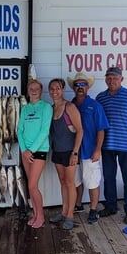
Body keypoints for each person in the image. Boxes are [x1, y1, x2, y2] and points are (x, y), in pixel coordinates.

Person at [96, 66, 127, 224]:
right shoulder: (100, 98)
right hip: (107, 145)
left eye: (115, 78)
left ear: (121, 79)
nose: (112, 81)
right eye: (109, 78)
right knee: (108, 178)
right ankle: (111, 206)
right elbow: (98, 123)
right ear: (105, 80)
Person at [69, 72, 109, 224]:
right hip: (73, 152)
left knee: (92, 181)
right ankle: (78, 205)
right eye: (77, 84)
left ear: (87, 87)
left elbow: (101, 129)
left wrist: (97, 149)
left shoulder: (95, 106)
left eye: (83, 84)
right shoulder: (70, 105)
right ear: (74, 87)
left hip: (89, 151)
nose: (80, 87)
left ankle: (93, 209)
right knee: (76, 181)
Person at [47, 78, 83, 230]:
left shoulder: (70, 107)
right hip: (57, 150)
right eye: (52, 89)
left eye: (58, 88)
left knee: (70, 182)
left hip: (70, 151)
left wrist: (75, 153)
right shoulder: (50, 108)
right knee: (62, 181)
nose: (54, 91)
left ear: (62, 90)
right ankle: (63, 211)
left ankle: (70, 215)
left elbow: (80, 130)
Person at [17, 79, 52, 229]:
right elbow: (19, 130)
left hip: (39, 150)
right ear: (28, 90)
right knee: (31, 186)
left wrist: (31, 150)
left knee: (32, 186)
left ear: (41, 90)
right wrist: (24, 150)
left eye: (36, 88)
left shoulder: (46, 107)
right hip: (26, 152)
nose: (34, 90)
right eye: (31, 88)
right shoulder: (24, 109)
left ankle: (41, 216)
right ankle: (35, 213)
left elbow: (45, 131)